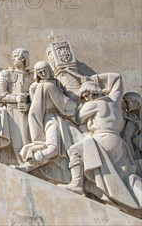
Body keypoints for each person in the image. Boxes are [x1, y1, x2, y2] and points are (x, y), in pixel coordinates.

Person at [60, 82, 141, 211]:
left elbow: (77, 118)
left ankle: (76, 184)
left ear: (92, 93)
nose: (86, 98)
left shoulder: (94, 104)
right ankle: (115, 199)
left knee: (74, 150)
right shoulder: (114, 105)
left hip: (102, 138)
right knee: (116, 175)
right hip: (118, 143)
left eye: (86, 95)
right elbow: (116, 79)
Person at [14, 61, 80, 178]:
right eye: (40, 72)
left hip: (61, 120)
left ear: (50, 70)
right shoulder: (44, 86)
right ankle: (29, 165)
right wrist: (77, 107)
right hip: (50, 119)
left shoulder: (54, 84)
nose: (43, 74)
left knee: (71, 149)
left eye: (45, 70)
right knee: (53, 148)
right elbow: (40, 104)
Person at [0, 48, 32, 165]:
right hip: (4, 111)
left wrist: (28, 105)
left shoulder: (32, 76)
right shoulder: (6, 73)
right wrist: (15, 98)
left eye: (16, 56)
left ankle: (24, 162)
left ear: (23, 58)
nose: (13, 59)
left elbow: (37, 99)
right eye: (12, 56)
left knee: (22, 145)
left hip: (24, 113)